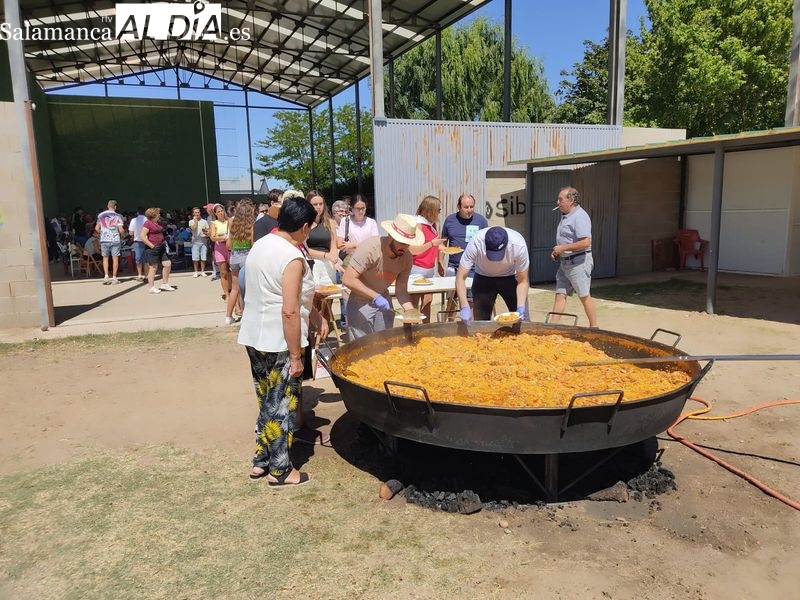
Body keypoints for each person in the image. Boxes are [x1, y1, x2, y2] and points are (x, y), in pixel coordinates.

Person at [237, 195, 328, 486]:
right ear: (303, 227)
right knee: (281, 405)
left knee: (266, 401)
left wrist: (315, 317)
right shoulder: (291, 257)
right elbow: (288, 309)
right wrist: (297, 356)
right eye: (310, 228)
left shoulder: (260, 245)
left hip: (254, 335)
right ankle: (281, 471)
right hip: (278, 341)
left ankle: (261, 460)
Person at [341, 213, 422, 341]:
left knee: (384, 343)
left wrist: (410, 312)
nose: (404, 247)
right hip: (359, 302)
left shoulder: (406, 258)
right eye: (401, 242)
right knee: (362, 347)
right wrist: (375, 296)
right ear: (391, 236)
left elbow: (401, 290)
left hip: (383, 301)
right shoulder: (370, 248)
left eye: (408, 243)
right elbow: (348, 279)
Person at [456, 226, 530, 323]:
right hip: (483, 278)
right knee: (480, 324)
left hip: (510, 278)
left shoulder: (518, 245)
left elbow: (523, 281)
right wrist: (464, 306)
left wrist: (520, 307)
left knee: (523, 322)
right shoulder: (476, 242)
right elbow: (460, 278)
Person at [550, 186, 598, 327]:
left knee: (583, 295)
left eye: (560, 199)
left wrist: (563, 248)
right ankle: (552, 327)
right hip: (566, 262)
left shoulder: (580, 216)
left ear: (571, 200)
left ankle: (594, 327)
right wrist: (558, 252)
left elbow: (585, 242)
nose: (557, 202)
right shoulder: (566, 216)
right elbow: (567, 239)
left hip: (579, 262)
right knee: (560, 293)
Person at [408, 195, 447, 320]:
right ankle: (411, 330)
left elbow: (436, 243)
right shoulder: (418, 225)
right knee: (413, 303)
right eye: (438, 210)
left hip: (429, 268)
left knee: (428, 301)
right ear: (430, 210)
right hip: (416, 268)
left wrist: (444, 248)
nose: (440, 212)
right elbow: (412, 250)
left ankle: (426, 330)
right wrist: (431, 244)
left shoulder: (432, 225)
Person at [440, 193, 489, 276]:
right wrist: (440, 262)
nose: (469, 210)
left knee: (473, 289)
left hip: (474, 268)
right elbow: (443, 243)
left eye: (471, 207)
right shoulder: (450, 220)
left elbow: (486, 244)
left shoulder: (481, 221)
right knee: (452, 289)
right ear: (459, 207)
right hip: (454, 267)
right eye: (466, 207)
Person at [225, 199, 255, 325]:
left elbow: (228, 245)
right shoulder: (251, 225)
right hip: (247, 256)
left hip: (234, 256)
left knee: (235, 289)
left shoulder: (232, 222)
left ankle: (228, 316)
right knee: (248, 288)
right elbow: (253, 243)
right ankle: (246, 315)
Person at [336, 194, 379, 264]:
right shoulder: (346, 221)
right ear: (352, 208)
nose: (361, 211)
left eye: (363, 208)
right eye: (358, 209)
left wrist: (354, 245)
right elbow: (339, 244)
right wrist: (365, 246)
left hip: (368, 260)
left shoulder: (371, 222)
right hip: (351, 261)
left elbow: (375, 245)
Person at [140, 207, 175, 294]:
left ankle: (165, 284)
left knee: (167, 264)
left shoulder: (157, 223)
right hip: (153, 248)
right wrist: (151, 246)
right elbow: (142, 236)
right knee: (153, 267)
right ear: (153, 215)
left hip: (161, 246)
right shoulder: (147, 223)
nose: (159, 214)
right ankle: (151, 287)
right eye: (158, 213)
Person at [95, 200, 126, 284]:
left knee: (105, 258)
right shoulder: (118, 216)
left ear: (107, 206)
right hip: (115, 239)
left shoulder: (100, 215)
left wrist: (102, 233)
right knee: (115, 258)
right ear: (115, 207)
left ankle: (106, 276)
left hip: (104, 239)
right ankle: (114, 277)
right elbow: (121, 230)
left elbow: (96, 228)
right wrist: (124, 235)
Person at [209, 203, 232, 301]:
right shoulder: (214, 223)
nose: (221, 213)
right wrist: (223, 237)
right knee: (223, 273)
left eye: (221, 210)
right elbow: (213, 237)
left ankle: (232, 290)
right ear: (215, 213)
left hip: (230, 247)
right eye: (218, 212)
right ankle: (227, 294)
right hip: (220, 248)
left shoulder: (229, 221)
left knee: (232, 271)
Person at [188, 206, 210, 277]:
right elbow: (193, 229)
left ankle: (203, 271)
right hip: (195, 242)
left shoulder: (204, 221)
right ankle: (196, 271)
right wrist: (196, 221)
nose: (197, 214)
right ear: (193, 214)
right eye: (195, 212)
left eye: (198, 212)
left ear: (200, 213)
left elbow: (207, 231)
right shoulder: (191, 221)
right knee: (195, 258)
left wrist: (206, 234)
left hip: (203, 241)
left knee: (203, 257)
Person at [128, 207, 148, 281]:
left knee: (138, 259)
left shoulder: (133, 220)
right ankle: (146, 275)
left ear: (137, 213)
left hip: (138, 242)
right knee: (146, 260)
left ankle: (139, 275)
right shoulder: (147, 220)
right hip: (146, 241)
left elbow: (130, 233)